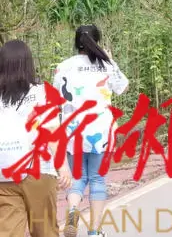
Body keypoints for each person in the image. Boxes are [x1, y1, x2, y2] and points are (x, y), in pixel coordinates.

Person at [55, 25, 129, 237]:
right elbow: (123, 87)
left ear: (76, 42)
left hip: (73, 130)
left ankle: (72, 213)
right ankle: (94, 232)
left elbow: (56, 97)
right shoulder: (106, 65)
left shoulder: (63, 67)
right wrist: (111, 61)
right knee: (97, 179)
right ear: (97, 42)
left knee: (77, 177)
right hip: (101, 130)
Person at [0, 40, 70, 237]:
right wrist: (63, 166)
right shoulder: (42, 92)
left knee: (7, 231)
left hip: (3, 174)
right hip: (38, 172)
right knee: (44, 230)